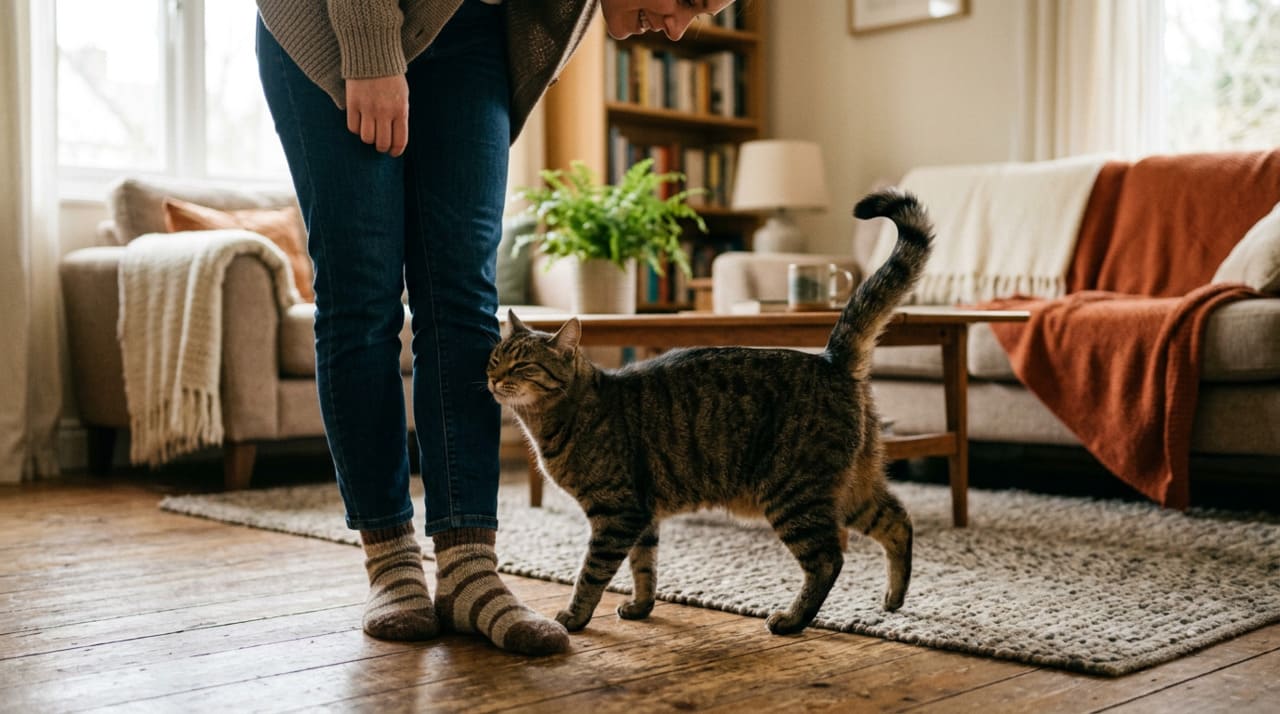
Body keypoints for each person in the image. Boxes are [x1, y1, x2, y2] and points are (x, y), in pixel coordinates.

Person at [255, 0, 736, 656]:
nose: (680, 27)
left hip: (469, 30)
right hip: (333, 25)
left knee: (461, 301)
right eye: (689, 0)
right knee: (363, 297)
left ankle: (468, 568)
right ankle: (392, 563)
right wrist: (370, 51)